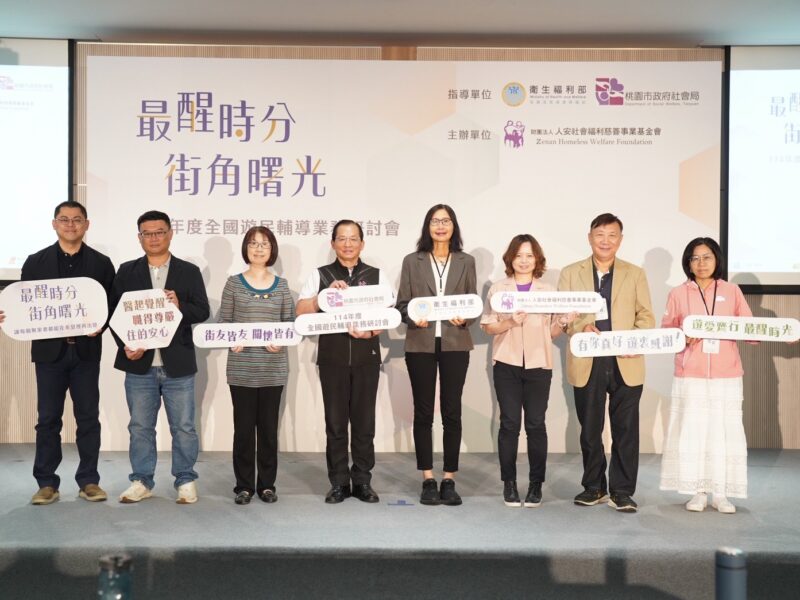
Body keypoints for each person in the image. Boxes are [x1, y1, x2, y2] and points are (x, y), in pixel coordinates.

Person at [0, 201, 115, 505]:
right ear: (54, 224)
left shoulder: (102, 263)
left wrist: (101, 326)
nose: (70, 225)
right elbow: (24, 305)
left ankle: (89, 480)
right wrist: (8, 315)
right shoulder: (35, 262)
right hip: (49, 354)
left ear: (86, 225)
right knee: (48, 419)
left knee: (88, 418)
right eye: (64, 219)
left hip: (86, 352)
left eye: (77, 219)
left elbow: (111, 306)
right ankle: (47, 483)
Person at [110, 210, 209, 504]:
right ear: (139, 237)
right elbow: (115, 315)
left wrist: (180, 306)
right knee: (140, 427)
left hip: (178, 364)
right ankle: (142, 480)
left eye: (159, 232)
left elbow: (202, 311)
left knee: (184, 427)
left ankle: (185, 479)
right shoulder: (126, 271)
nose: (153, 238)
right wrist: (127, 345)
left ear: (170, 233)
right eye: (147, 233)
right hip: (139, 365)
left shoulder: (188, 271)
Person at [558, 213, 654, 512]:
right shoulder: (570, 273)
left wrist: (632, 340)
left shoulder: (635, 273)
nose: (605, 240)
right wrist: (580, 327)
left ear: (620, 240)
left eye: (612, 235)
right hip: (588, 358)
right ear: (590, 237)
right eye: (600, 234)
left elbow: (646, 316)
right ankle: (594, 487)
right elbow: (563, 318)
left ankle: (622, 491)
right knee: (590, 429)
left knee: (626, 429)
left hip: (625, 359)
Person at [480, 234, 575, 507]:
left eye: (529, 255)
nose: (524, 261)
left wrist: (565, 322)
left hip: (539, 364)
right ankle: (509, 483)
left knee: (535, 424)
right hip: (506, 363)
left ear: (537, 260)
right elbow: (488, 327)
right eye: (519, 255)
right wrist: (510, 322)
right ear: (510, 258)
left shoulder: (548, 291)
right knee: (509, 424)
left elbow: (552, 333)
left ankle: (536, 484)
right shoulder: (499, 289)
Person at [659, 238, 752, 514]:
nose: (701, 263)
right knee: (694, 432)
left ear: (717, 260)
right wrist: (681, 336)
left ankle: (721, 493)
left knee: (723, 433)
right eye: (695, 258)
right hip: (691, 374)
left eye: (707, 257)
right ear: (688, 263)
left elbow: (750, 328)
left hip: (727, 374)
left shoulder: (732, 291)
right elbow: (666, 331)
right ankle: (698, 491)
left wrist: (783, 334)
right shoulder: (678, 293)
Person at [296, 220, 385, 504]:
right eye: (342, 239)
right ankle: (338, 483)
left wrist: (369, 332)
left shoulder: (376, 276)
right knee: (335, 424)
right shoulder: (320, 274)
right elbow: (300, 312)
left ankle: (363, 481)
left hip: (367, 357)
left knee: (364, 423)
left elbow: (387, 316)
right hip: (332, 358)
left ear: (362, 243)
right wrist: (324, 297)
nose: (348, 244)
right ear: (333, 243)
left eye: (353, 238)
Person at [396, 204, 477, 506]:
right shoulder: (412, 261)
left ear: (454, 226)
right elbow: (402, 304)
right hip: (421, 343)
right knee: (423, 412)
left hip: (456, 342)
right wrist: (411, 318)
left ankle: (449, 478)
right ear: (427, 226)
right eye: (434, 221)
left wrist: (466, 317)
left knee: (452, 411)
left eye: (445, 221)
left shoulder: (466, 261)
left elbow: (472, 301)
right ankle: (428, 478)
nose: (440, 226)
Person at [219, 226, 295, 505]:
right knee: (243, 431)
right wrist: (231, 340)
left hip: (273, 369)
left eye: (264, 244)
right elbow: (224, 322)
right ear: (246, 248)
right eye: (253, 243)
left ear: (272, 249)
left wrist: (282, 341)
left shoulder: (282, 286)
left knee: (268, 430)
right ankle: (243, 486)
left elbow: (290, 324)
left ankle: (267, 485)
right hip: (242, 369)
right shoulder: (233, 284)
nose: (258, 248)